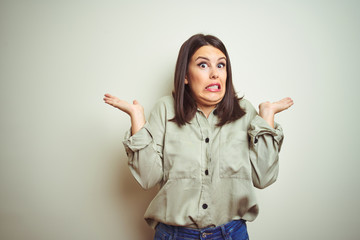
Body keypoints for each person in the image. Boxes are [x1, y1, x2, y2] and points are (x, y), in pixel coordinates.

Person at [104, 34, 293, 240]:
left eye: (221, 66)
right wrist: (137, 119)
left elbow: (263, 178)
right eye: (203, 65)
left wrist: (267, 118)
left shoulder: (245, 112)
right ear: (185, 75)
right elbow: (148, 178)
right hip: (174, 235)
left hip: (231, 234)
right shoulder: (165, 110)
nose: (215, 74)